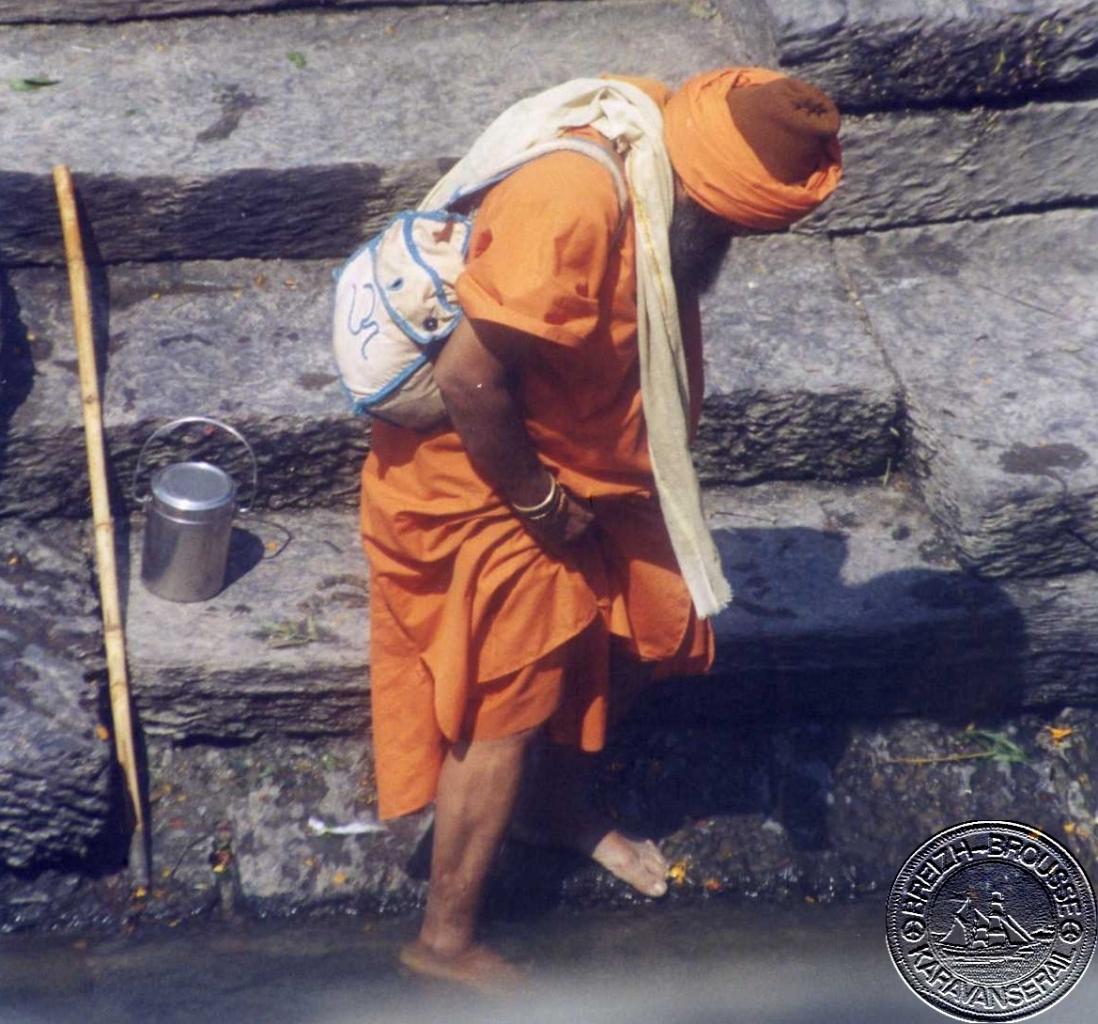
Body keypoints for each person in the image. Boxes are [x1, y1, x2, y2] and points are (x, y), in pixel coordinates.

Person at [359, 67, 842, 992]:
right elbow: (468, 381)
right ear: (704, 186)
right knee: (504, 701)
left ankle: (554, 807)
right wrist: (541, 504)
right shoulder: (575, 201)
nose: (732, 243)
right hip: (492, 480)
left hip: (604, 465)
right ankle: (444, 938)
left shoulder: (661, 131)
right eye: (735, 224)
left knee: (651, 620)